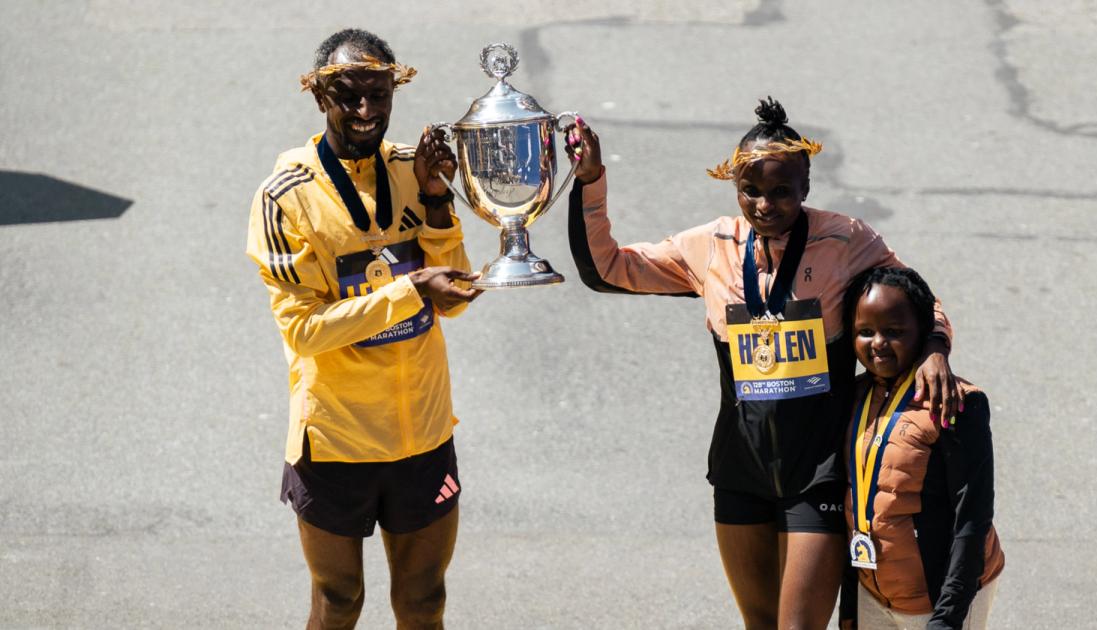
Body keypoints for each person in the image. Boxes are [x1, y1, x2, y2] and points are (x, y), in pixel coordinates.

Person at [564, 99, 964, 629]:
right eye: (751, 191)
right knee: (760, 624)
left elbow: (916, 297)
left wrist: (936, 348)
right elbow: (607, 268)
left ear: (805, 185)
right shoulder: (709, 245)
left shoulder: (846, 240)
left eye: (781, 191)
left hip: (818, 470)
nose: (765, 204)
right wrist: (590, 180)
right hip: (741, 467)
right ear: (734, 189)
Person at [245, 28, 481, 629]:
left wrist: (434, 202)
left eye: (379, 96)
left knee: (425, 601)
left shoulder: (412, 168)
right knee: (339, 600)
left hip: (421, 434)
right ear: (319, 96)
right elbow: (303, 330)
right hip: (336, 441)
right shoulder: (284, 197)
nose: (366, 112)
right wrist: (408, 290)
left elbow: (451, 302)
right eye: (348, 96)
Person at [840, 267, 1003, 629]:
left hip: (939, 602)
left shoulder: (956, 403)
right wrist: (849, 605)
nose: (878, 342)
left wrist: (946, 619)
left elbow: (972, 520)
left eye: (894, 332)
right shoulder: (855, 396)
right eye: (865, 332)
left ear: (924, 334)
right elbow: (854, 504)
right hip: (874, 595)